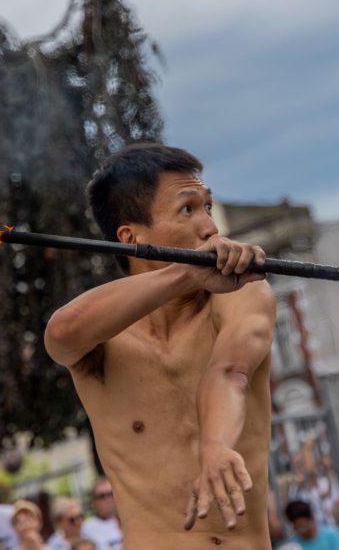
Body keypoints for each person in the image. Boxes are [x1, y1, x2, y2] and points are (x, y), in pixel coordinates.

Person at [44, 144, 275, 548]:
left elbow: (231, 372)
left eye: (208, 206)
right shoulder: (100, 334)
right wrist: (187, 275)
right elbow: (60, 335)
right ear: (132, 238)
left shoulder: (240, 295)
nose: (209, 228)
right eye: (188, 210)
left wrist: (215, 446)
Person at [79, 479, 123, 550]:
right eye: (102, 496)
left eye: (111, 494)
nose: (108, 499)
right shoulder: (87, 527)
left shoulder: (129, 519)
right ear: (93, 501)